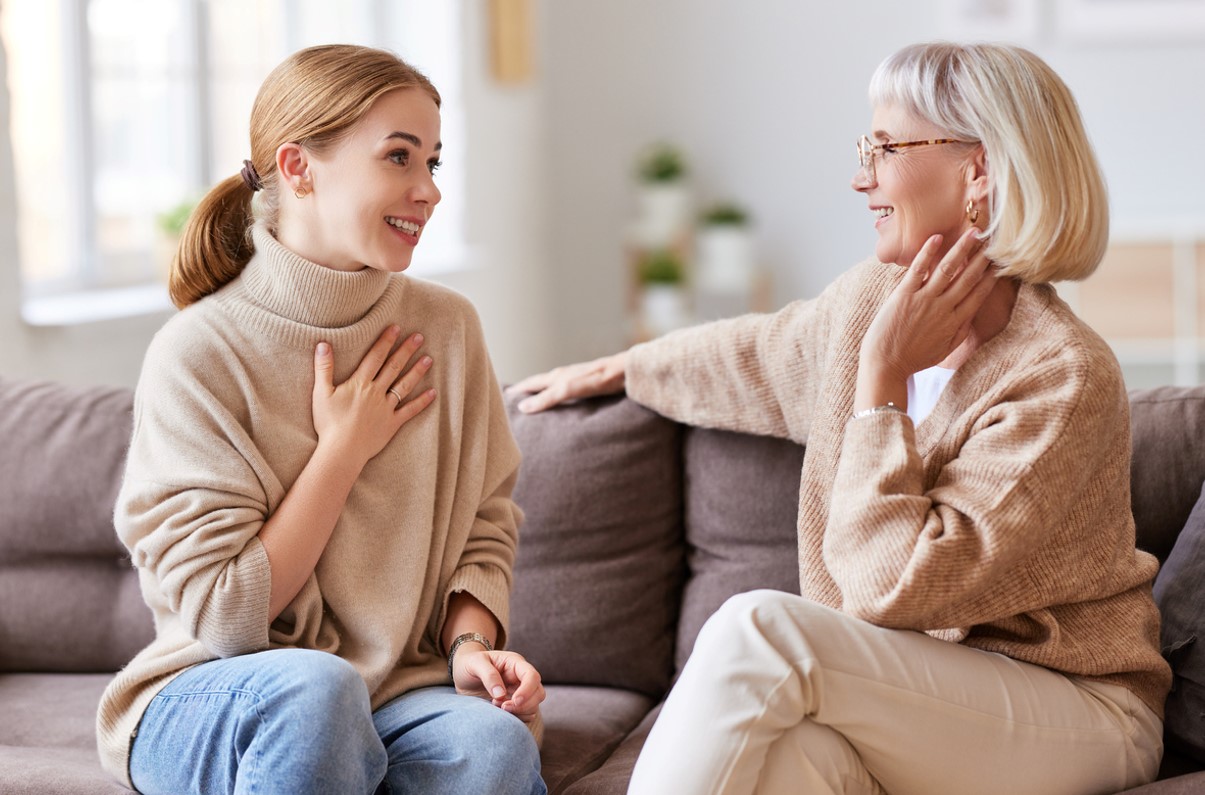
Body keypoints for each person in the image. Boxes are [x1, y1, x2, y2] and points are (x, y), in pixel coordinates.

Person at [511, 42, 1170, 795]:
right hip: (920, 708)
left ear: (978, 170)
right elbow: (756, 355)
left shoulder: (1061, 375)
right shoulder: (866, 304)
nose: (862, 177)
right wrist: (628, 367)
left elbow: (897, 586)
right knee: (791, 763)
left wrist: (883, 379)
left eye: (884, 148)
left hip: (1079, 712)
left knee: (757, 629)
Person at [96, 44, 545, 795]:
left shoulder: (448, 328)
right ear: (299, 168)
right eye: (398, 157)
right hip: (211, 688)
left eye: (432, 162)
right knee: (316, 690)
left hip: (397, 696)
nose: (426, 190)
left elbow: (484, 524)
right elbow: (227, 618)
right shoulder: (199, 352)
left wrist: (468, 643)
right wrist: (342, 449)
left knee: (492, 746)